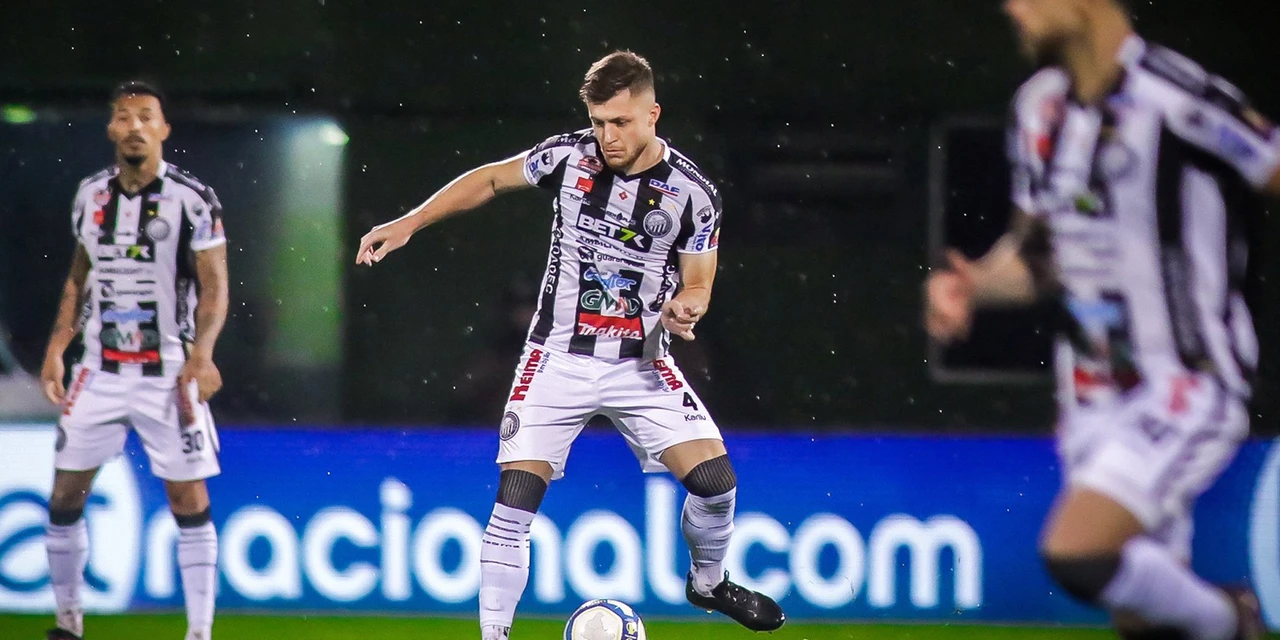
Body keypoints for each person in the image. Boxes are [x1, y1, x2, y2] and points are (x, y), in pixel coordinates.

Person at [357, 51, 785, 638]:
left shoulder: (692, 193)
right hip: (555, 359)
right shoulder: (568, 156)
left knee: (716, 485)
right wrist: (409, 223)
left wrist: (688, 306)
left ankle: (708, 583)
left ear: (653, 113)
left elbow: (699, 281)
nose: (607, 136)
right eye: (599, 121)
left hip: (642, 363)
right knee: (514, 498)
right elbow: (488, 179)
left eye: (621, 123)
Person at [927, 1, 1280, 638]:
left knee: (1078, 552)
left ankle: (1232, 620)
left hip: (1185, 383)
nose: (1014, 9)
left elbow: (1268, 161)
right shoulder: (1040, 111)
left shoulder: (1178, 98)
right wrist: (972, 286)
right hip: (1091, 397)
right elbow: (1040, 257)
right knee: (1144, 623)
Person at [39, 80, 229, 640]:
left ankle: (199, 632)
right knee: (65, 492)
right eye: (123, 117)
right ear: (110, 130)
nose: (134, 126)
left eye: (146, 115)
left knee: (187, 496)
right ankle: (67, 624)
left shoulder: (193, 199)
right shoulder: (90, 196)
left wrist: (204, 355)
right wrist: (56, 348)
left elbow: (215, 288)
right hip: (98, 369)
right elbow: (79, 278)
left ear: (164, 129)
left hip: (168, 369)